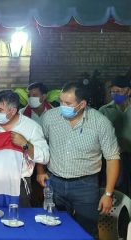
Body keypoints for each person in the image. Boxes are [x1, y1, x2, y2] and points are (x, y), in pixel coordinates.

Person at [37, 81, 120, 237]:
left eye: (67, 103)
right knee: (53, 228)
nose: (62, 106)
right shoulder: (50, 117)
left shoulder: (100, 123)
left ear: (82, 104)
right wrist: (40, 171)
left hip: (86, 186)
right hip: (55, 183)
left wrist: (108, 194)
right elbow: (41, 145)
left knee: (86, 231)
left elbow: (113, 158)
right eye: (61, 101)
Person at [99, 75, 131, 195]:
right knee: (118, 188)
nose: (115, 94)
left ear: (128, 91)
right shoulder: (104, 110)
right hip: (115, 158)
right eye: (112, 92)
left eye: (118, 91)